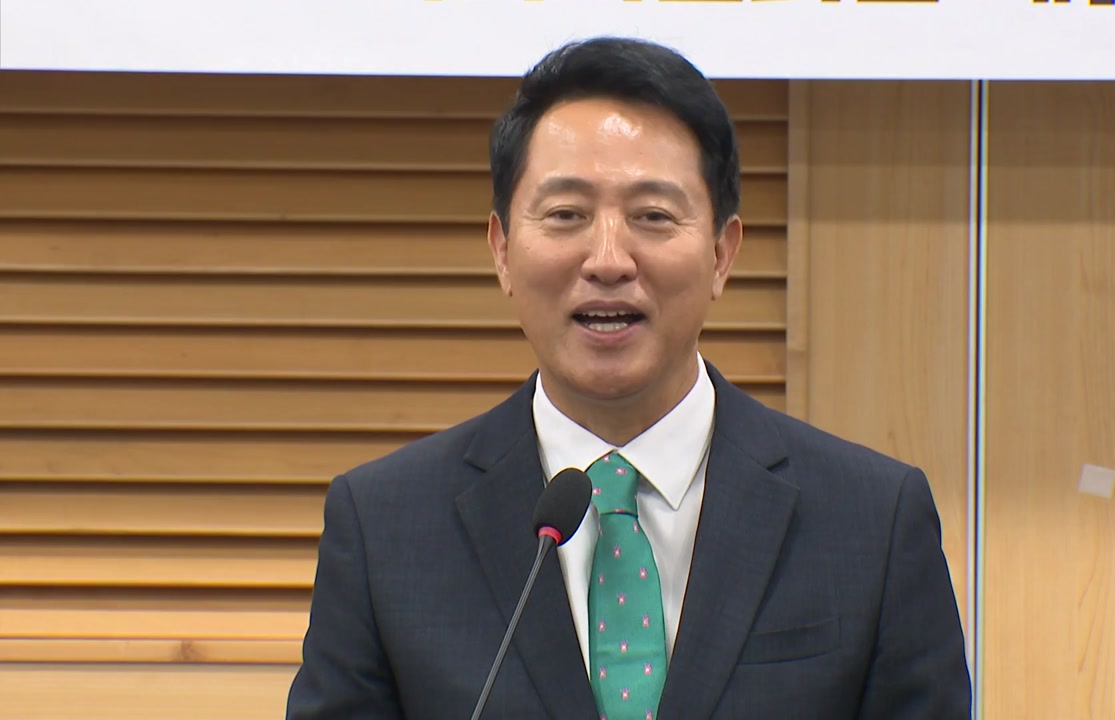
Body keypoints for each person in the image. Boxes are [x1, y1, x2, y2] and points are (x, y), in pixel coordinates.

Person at [285, 36, 971, 720]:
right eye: (566, 216)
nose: (609, 259)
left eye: (652, 216)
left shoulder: (873, 523)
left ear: (722, 254)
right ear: (502, 251)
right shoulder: (385, 529)